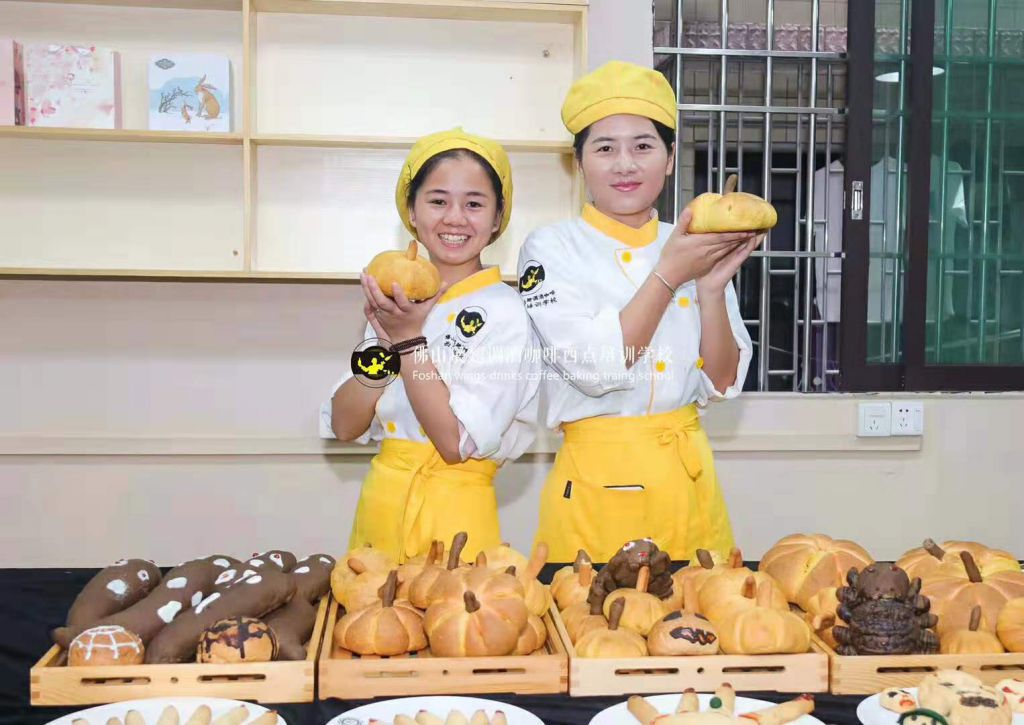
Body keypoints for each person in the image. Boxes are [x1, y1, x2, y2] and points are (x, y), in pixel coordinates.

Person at [517, 61, 762, 563]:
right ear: (578, 162)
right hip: (596, 486)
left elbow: (721, 383)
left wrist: (711, 289)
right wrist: (670, 273)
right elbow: (596, 369)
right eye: (605, 148)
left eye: (644, 146)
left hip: (688, 480)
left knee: (699, 609)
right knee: (595, 612)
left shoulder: (696, 241)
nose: (625, 164)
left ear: (669, 159)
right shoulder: (550, 249)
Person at [321, 128, 539, 562]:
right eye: (438, 201)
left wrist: (408, 342)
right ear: (412, 211)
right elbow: (345, 426)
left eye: (474, 204)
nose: (454, 218)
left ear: (498, 218)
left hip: (456, 520)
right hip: (382, 509)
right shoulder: (398, 304)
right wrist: (385, 343)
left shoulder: (507, 312)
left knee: (454, 609)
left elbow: (454, 443)